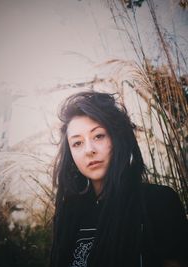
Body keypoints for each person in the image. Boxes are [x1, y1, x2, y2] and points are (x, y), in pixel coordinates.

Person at [50, 91, 188, 267]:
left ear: (117, 138)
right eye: (77, 143)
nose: (89, 150)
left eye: (98, 136)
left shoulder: (157, 202)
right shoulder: (70, 213)